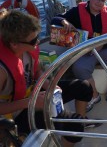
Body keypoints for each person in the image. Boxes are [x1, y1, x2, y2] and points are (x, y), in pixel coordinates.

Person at [0, 10, 96, 146]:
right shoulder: (2, 70)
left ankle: (80, 122)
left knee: (83, 87)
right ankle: (72, 130)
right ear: (14, 43)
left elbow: (37, 71)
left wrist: (50, 85)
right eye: (33, 40)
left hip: (34, 96)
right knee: (74, 125)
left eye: (37, 36)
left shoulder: (28, 51)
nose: (38, 41)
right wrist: (30, 102)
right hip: (16, 115)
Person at [51, 0, 107, 112]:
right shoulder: (77, 11)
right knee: (79, 68)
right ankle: (94, 96)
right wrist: (64, 22)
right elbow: (55, 18)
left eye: (102, 0)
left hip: (103, 48)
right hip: (85, 50)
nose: (99, 2)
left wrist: (102, 45)